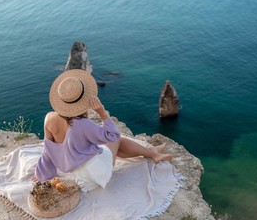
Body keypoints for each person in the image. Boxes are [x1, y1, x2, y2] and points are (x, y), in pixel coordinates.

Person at [35, 69, 172, 192]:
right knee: (118, 139)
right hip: (95, 174)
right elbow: (113, 136)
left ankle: (151, 153)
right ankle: (153, 155)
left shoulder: (49, 119)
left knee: (115, 146)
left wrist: (43, 175)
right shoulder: (82, 124)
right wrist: (103, 114)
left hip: (77, 172)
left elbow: (48, 151)